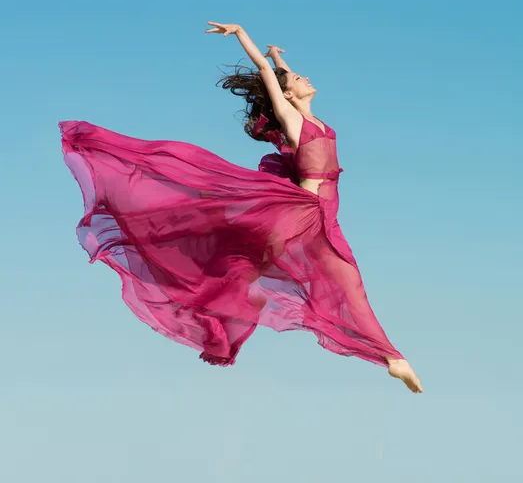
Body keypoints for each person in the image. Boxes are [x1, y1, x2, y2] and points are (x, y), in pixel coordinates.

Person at [59, 22, 423, 393]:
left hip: (321, 217)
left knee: (316, 281)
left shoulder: (315, 120)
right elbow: (269, 77)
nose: (307, 78)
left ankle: (388, 357)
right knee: (336, 282)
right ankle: (391, 358)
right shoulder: (293, 119)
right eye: (299, 78)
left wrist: (278, 55)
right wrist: (242, 36)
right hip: (301, 215)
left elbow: (277, 73)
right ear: (286, 93)